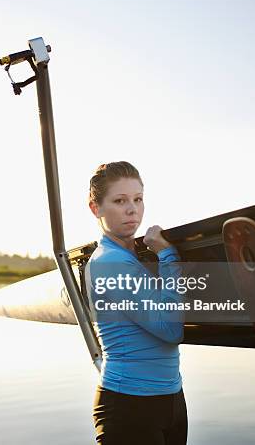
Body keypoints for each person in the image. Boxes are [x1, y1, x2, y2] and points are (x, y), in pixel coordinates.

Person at [86, 161, 187, 445]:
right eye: (120, 201)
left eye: (138, 199)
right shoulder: (110, 263)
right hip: (129, 407)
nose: (132, 209)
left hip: (171, 398)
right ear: (96, 208)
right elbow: (170, 329)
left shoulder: (132, 259)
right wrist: (168, 257)